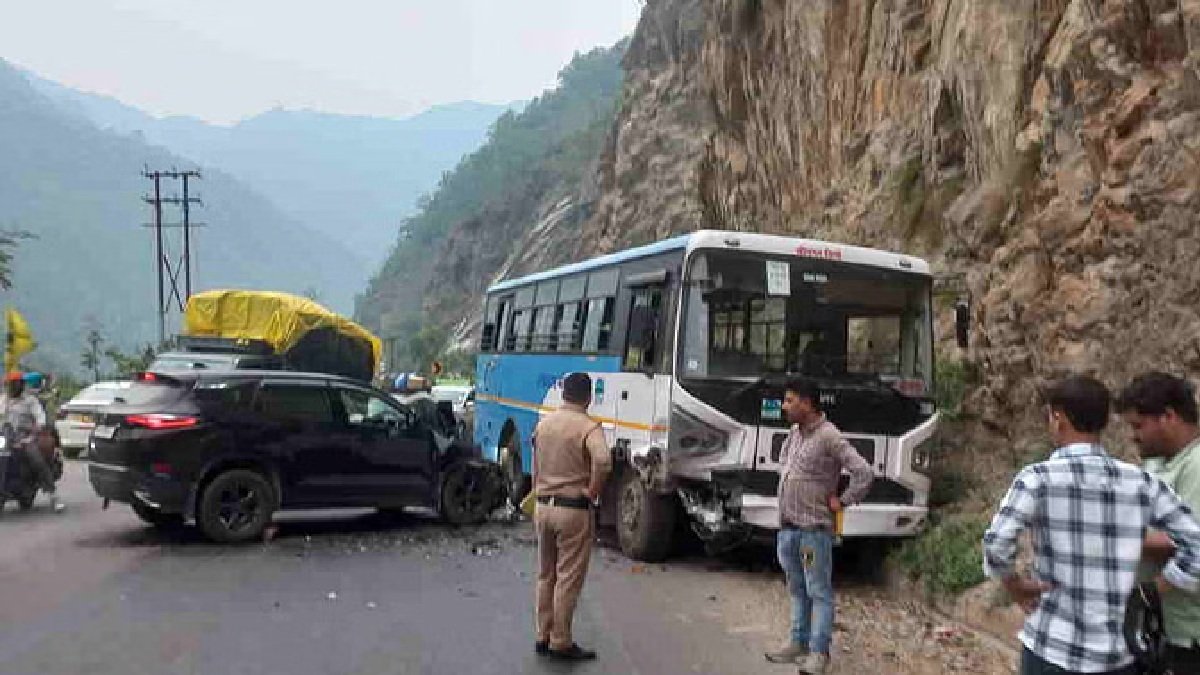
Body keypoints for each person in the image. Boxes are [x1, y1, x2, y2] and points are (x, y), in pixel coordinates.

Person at [983, 374, 1200, 674]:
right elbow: (1196, 545)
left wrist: (1014, 585)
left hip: (1052, 648)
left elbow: (996, 544)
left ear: (1058, 419)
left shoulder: (1036, 479)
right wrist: (1152, 590)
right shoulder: (1140, 482)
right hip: (1117, 654)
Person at [765, 379, 873, 674]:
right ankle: (797, 643)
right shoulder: (794, 433)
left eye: (790, 401)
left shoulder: (829, 436)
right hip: (788, 529)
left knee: (818, 591)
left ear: (807, 403)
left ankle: (819, 653)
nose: (784, 407)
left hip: (813, 533)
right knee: (796, 588)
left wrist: (844, 500)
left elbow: (864, 473)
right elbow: (785, 464)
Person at [1117, 372, 1200, 673]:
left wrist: (1117, 537)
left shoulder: (1196, 465)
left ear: (1168, 416)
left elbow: (1190, 543)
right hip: (1162, 627)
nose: (1133, 435)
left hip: (1190, 634)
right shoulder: (1158, 463)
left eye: (1138, 426)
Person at [531, 372, 612, 661]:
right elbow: (603, 461)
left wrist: (538, 493)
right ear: (588, 398)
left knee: (546, 574)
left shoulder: (544, 425)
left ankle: (542, 634)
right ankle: (560, 640)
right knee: (567, 577)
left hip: (543, 506)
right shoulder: (588, 427)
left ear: (563, 393)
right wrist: (592, 491)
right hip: (573, 511)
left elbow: (536, 466)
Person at [0, 371, 62, 512]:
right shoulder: (3, 400)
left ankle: (53, 495)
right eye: (10, 384)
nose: (12, 387)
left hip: (25, 436)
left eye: (16, 384)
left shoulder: (30, 401)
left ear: (21, 385)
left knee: (36, 458)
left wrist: (35, 431)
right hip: (4, 436)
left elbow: (40, 418)